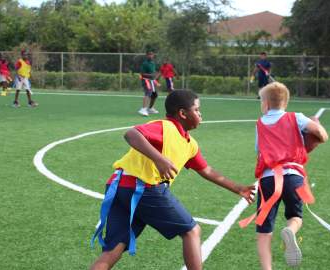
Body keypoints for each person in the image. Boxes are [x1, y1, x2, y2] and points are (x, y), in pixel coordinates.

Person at [90, 90, 255, 270]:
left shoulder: (190, 144)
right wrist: (159, 159)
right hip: (142, 187)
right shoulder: (165, 127)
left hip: (119, 187)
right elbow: (131, 134)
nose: (200, 114)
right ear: (183, 114)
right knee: (192, 231)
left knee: (114, 248)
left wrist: (238, 188)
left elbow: (206, 170)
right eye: (197, 110)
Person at [239, 82, 328, 269]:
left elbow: (259, 150)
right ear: (285, 103)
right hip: (294, 176)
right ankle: (290, 230)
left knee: (263, 230)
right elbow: (319, 133)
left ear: (265, 104)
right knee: (296, 216)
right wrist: (317, 134)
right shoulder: (296, 117)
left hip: (268, 179)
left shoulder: (260, 123)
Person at [138, 51, 160, 116]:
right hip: (146, 80)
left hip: (152, 81)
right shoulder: (145, 64)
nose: (150, 56)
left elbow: (153, 72)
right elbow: (142, 74)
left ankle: (150, 108)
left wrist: (156, 75)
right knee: (148, 92)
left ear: (153, 55)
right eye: (149, 55)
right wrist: (150, 75)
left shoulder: (153, 63)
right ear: (146, 56)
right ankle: (143, 109)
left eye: (152, 55)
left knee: (155, 95)